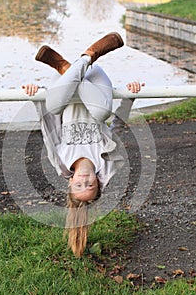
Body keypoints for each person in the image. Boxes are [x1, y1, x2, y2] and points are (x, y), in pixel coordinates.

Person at [23, 32, 144, 257]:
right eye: (90, 187)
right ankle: (87, 57)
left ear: (70, 183)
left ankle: (67, 67)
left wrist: (36, 97)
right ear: (99, 183)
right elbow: (118, 125)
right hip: (96, 81)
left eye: (79, 186)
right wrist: (129, 97)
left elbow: (47, 126)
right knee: (101, 112)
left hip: (65, 90)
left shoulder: (60, 161)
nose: (84, 182)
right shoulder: (107, 159)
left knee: (55, 105)